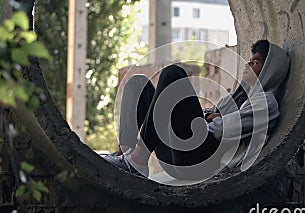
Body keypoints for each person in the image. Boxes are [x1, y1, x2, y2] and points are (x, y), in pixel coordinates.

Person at [103, 40, 290, 179]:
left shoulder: (265, 103)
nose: (248, 64)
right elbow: (210, 114)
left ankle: (138, 161)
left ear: (270, 71)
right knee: (138, 84)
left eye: (256, 62)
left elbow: (222, 130)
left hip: (202, 163)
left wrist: (210, 117)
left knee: (173, 74)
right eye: (250, 60)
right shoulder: (237, 98)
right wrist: (209, 116)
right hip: (178, 157)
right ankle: (124, 154)